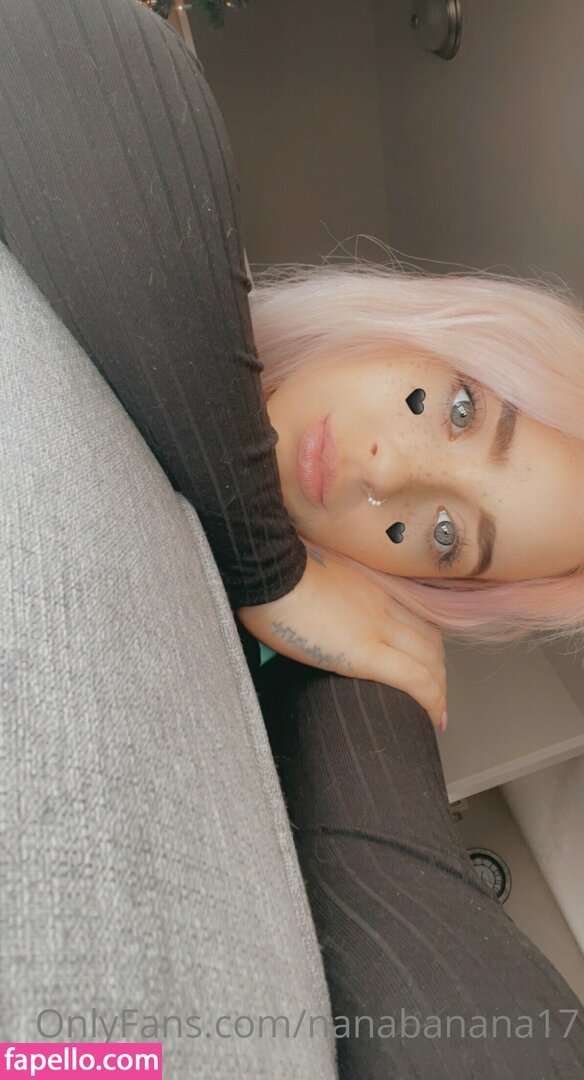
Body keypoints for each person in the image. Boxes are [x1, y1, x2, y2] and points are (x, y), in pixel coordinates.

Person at [1, 0, 582, 1076]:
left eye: (442, 534)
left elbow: (444, 985)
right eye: (457, 410)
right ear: (424, 335)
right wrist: (265, 567)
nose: (387, 471)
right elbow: (69, 48)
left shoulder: (351, 676)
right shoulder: (168, 265)